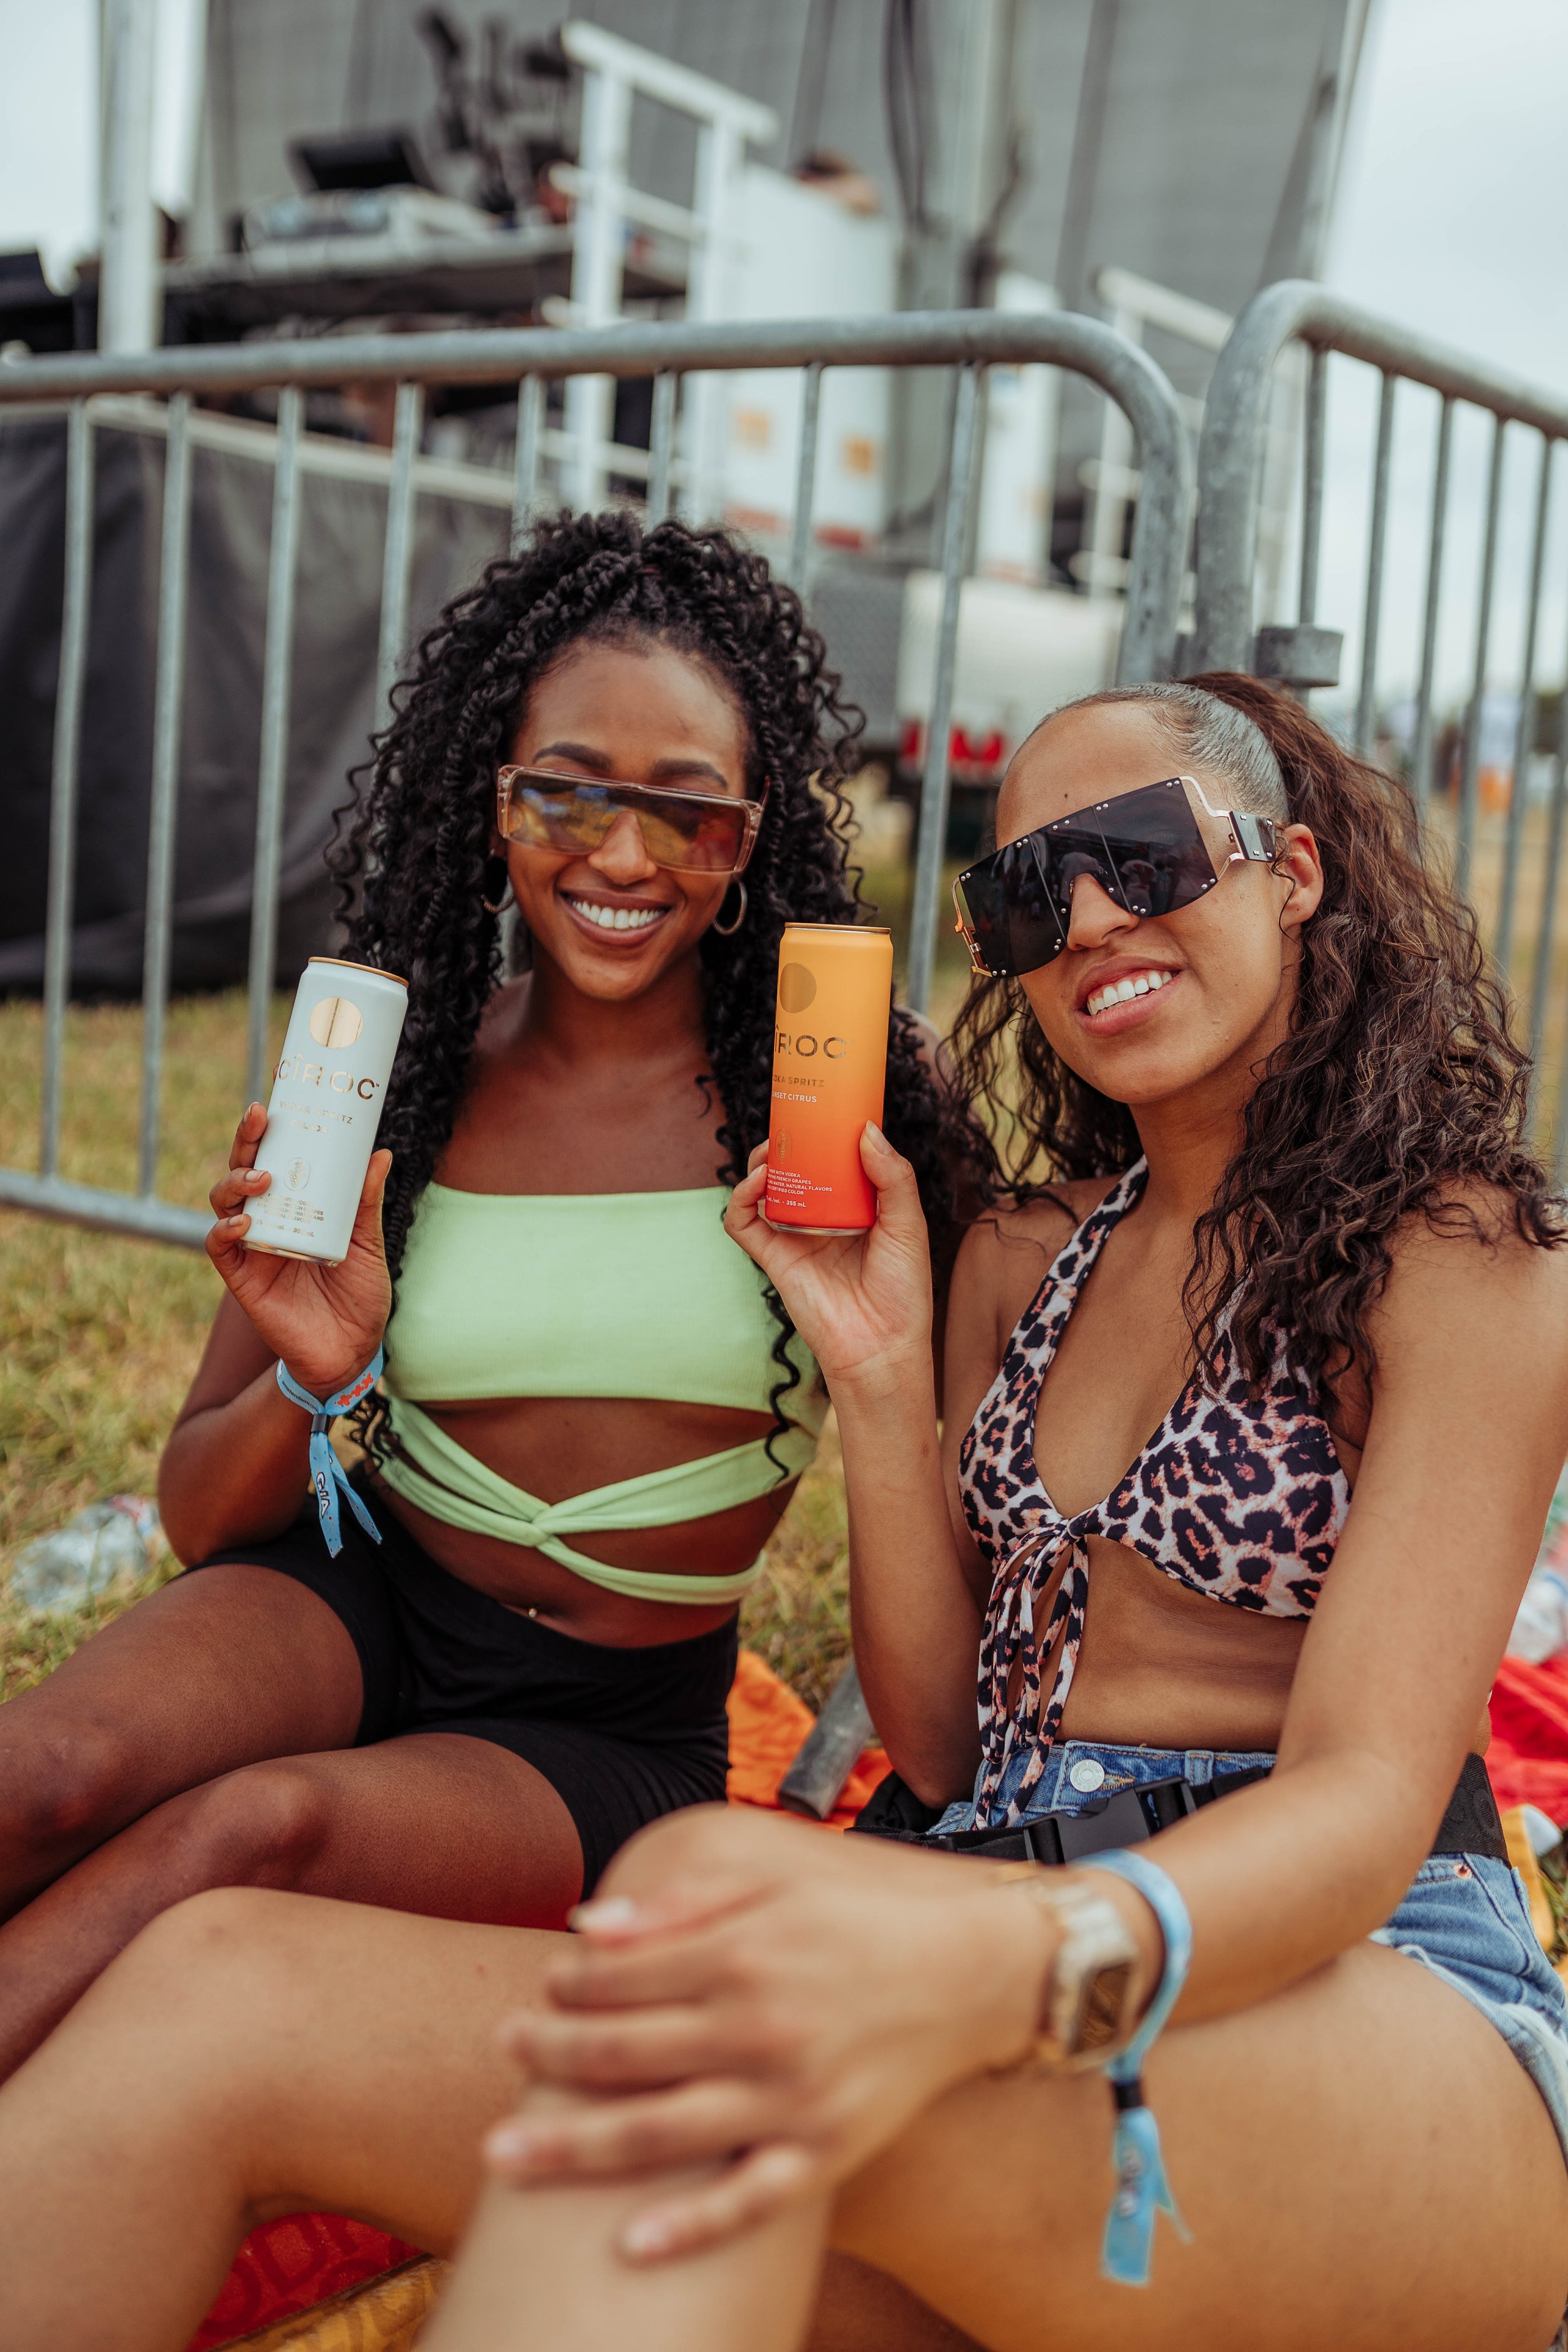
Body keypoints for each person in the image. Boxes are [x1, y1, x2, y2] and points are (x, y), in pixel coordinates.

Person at [1, 671, 1564, 2352]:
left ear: (1294, 869)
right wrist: (883, 1384)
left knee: (712, 2004)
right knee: (219, 1979)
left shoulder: (1456, 1259)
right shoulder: (1021, 1256)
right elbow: (949, 1749)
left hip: (1356, 1986)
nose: (1092, 912)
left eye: (1143, 851)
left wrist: (1004, 1960)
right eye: (1027, 890)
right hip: (982, 1900)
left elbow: (1361, 1801)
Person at [0, 510, 975, 2088]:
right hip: (351, 1586)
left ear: (751, 842)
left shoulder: (849, 1102)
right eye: (564, 791)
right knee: (41, 1778)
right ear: (493, 797)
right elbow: (195, 1508)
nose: (618, 857)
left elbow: (961, 1570)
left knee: (246, 1834)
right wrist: (326, 1380)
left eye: (688, 815)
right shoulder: (402, 1068)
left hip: (609, 1728)